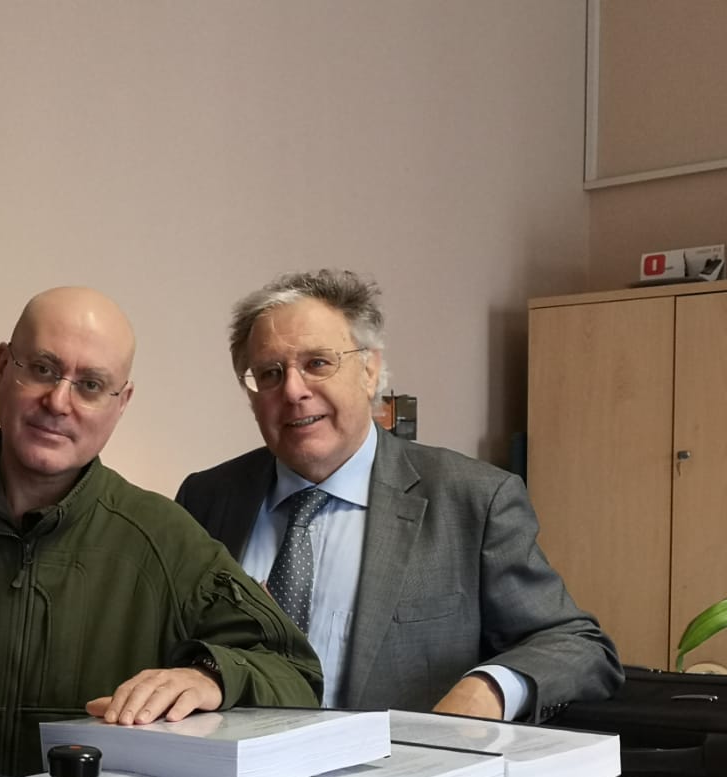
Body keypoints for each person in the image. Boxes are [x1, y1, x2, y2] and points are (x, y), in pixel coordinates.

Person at [0, 286, 322, 777]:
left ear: (121, 401)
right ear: (3, 367)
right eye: (42, 369)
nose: (59, 401)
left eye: (90, 385)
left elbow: (295, 672)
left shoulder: (164, 539)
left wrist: (209, 676)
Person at [176, 268, 621, 720]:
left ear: (369, 372)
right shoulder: (208, 498)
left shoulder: (471, 499)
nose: (293, 390)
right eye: (269, 373)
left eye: (317, 363)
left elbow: (577, 645)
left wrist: (490, 689)